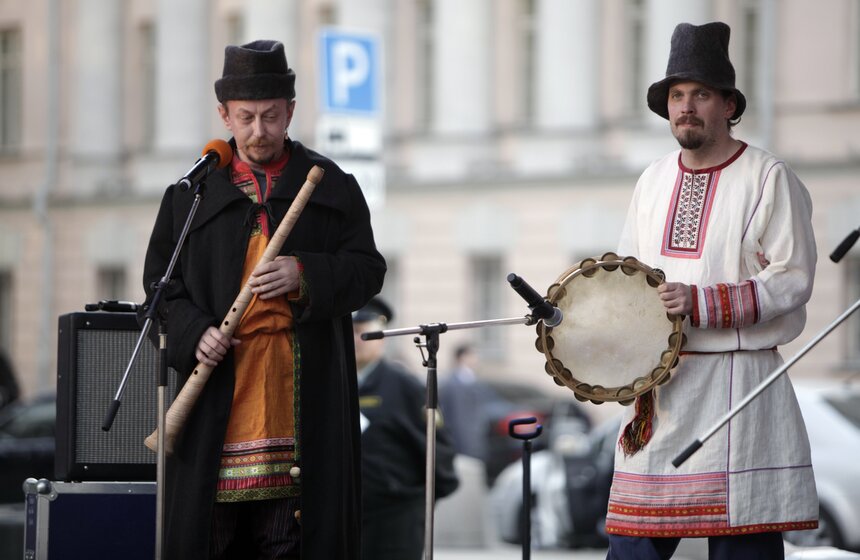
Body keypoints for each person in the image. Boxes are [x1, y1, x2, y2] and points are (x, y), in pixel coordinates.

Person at [140, 40, 386, 560]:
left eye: (271, 117)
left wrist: (306, 273)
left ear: (291, 112)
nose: (258, 132)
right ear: (223, 115)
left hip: (301, 402)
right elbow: (161, 290)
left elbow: (368, 270)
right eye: (246, 118)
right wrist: (194, 332)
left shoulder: (331, 186)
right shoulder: (192, 196)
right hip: (217, 406)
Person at [606, 22, 818, 560]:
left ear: (728, 104)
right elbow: (629, 277)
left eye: (700, 94)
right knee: (631, 549)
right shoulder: (651, 180)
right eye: (677, 95)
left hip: (738, 391)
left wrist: (701, 303)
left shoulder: (769, 176)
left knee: (740, 547)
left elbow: (792, 278)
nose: (686, 107)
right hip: (661, 388)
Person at [352, 297, 459, 560]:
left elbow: (438, 449)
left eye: (361, 332)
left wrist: (416, 502)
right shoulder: (334, 385)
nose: (354, 340)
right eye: (348, 332)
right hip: (348, 515)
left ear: (381, 335)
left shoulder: (404, 386)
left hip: (396, 519)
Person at [438, 344, 494, 462]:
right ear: (463, 357)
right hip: (462, 445)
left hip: (473, 442)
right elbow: (458, 419)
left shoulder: (471, 380)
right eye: (472, 355)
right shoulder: (454, 384)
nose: (476, 359)